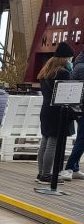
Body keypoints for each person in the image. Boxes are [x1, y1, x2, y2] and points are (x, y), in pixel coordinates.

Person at [36, 42, 75, 184]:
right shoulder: (63, 73)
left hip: (46, 109)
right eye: (70, 58)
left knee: (45, 141)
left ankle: (41, 173)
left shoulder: (45, 71)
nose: (71, 61)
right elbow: (67, 93)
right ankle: (47, 175)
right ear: (65, 58)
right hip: (58, 111)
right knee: (52, 143)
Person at [63, 51, 84, 178]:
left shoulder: (79, 65)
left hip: (79, 106)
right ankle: (70, 167)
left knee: (81, 138)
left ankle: (74, 167)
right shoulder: (82, 67)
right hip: (81, 107)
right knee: (82, 139)